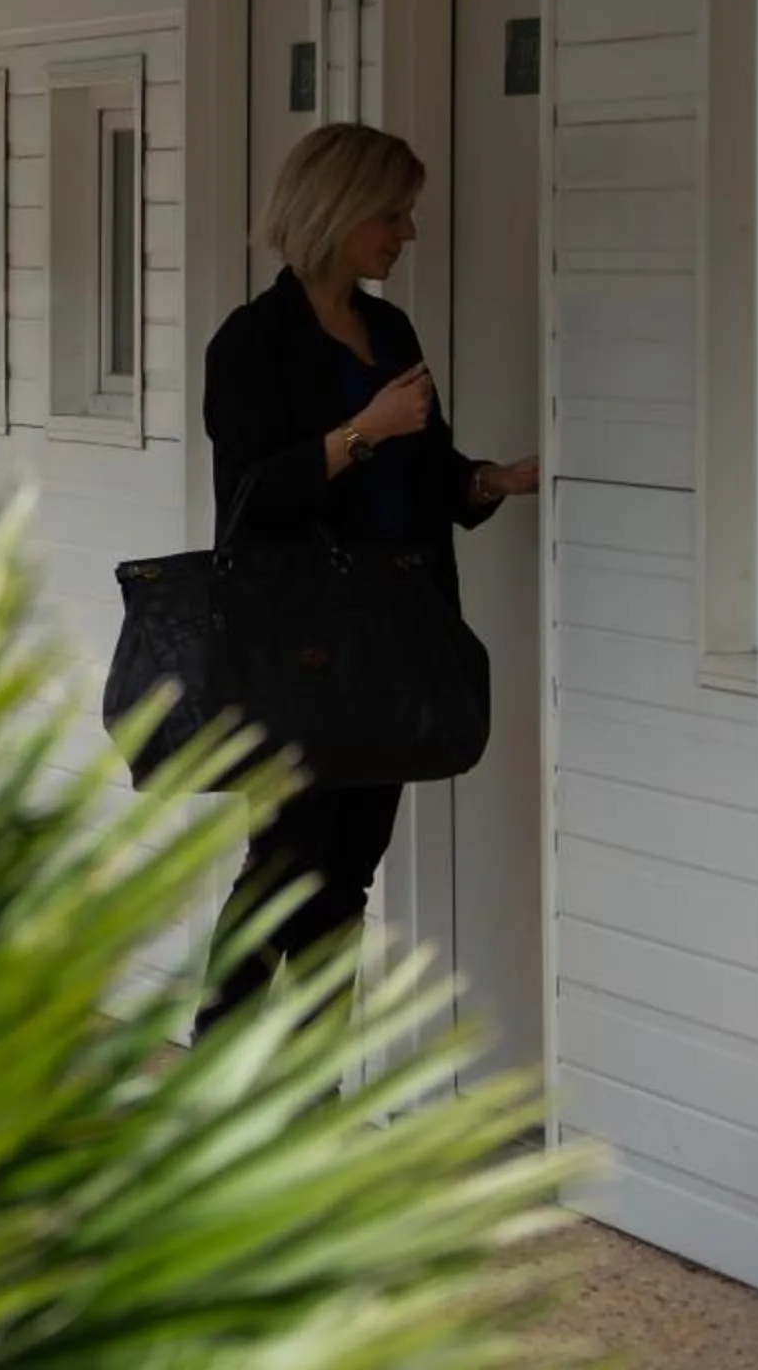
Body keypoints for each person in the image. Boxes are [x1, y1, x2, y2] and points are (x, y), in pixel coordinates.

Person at [195, 123, 541, 1039]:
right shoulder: (252, 342)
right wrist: (362, 432)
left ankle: (311, 1087)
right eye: (392, 214)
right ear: (336, 211)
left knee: (348, 873)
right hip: (302, 646)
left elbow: (425, 473)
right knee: (282, 866)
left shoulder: (389, 330)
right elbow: (252, 502)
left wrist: (490, 481)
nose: (407, 233)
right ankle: (214, 1068)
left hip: (396, 639)